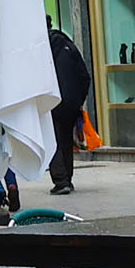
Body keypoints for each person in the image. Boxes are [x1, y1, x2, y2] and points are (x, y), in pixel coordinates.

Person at [44, 20, 91, 195]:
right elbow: (84, 75)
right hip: (71, 101)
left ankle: (61, 181)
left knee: (51, 140)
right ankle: (67, 180)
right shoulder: (68, 44)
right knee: (65, 139)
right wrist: (79, 100)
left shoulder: (40, 48)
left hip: (50, 99)